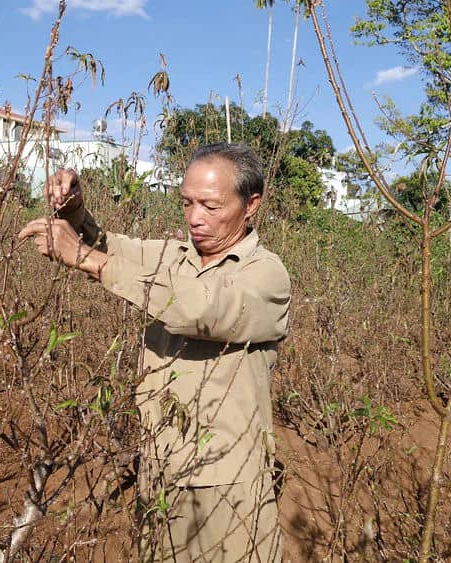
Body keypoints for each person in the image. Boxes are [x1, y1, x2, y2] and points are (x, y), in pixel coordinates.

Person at [17, 143, 290, 562]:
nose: (195, 218)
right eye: (187, 203)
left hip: (227, 487)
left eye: (211, 206)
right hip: (160, 474)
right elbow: (112, 248)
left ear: (251, 205)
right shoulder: (176, 257)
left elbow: (196, 307)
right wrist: (74, 211)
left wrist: (85, 257)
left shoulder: (266, 275)